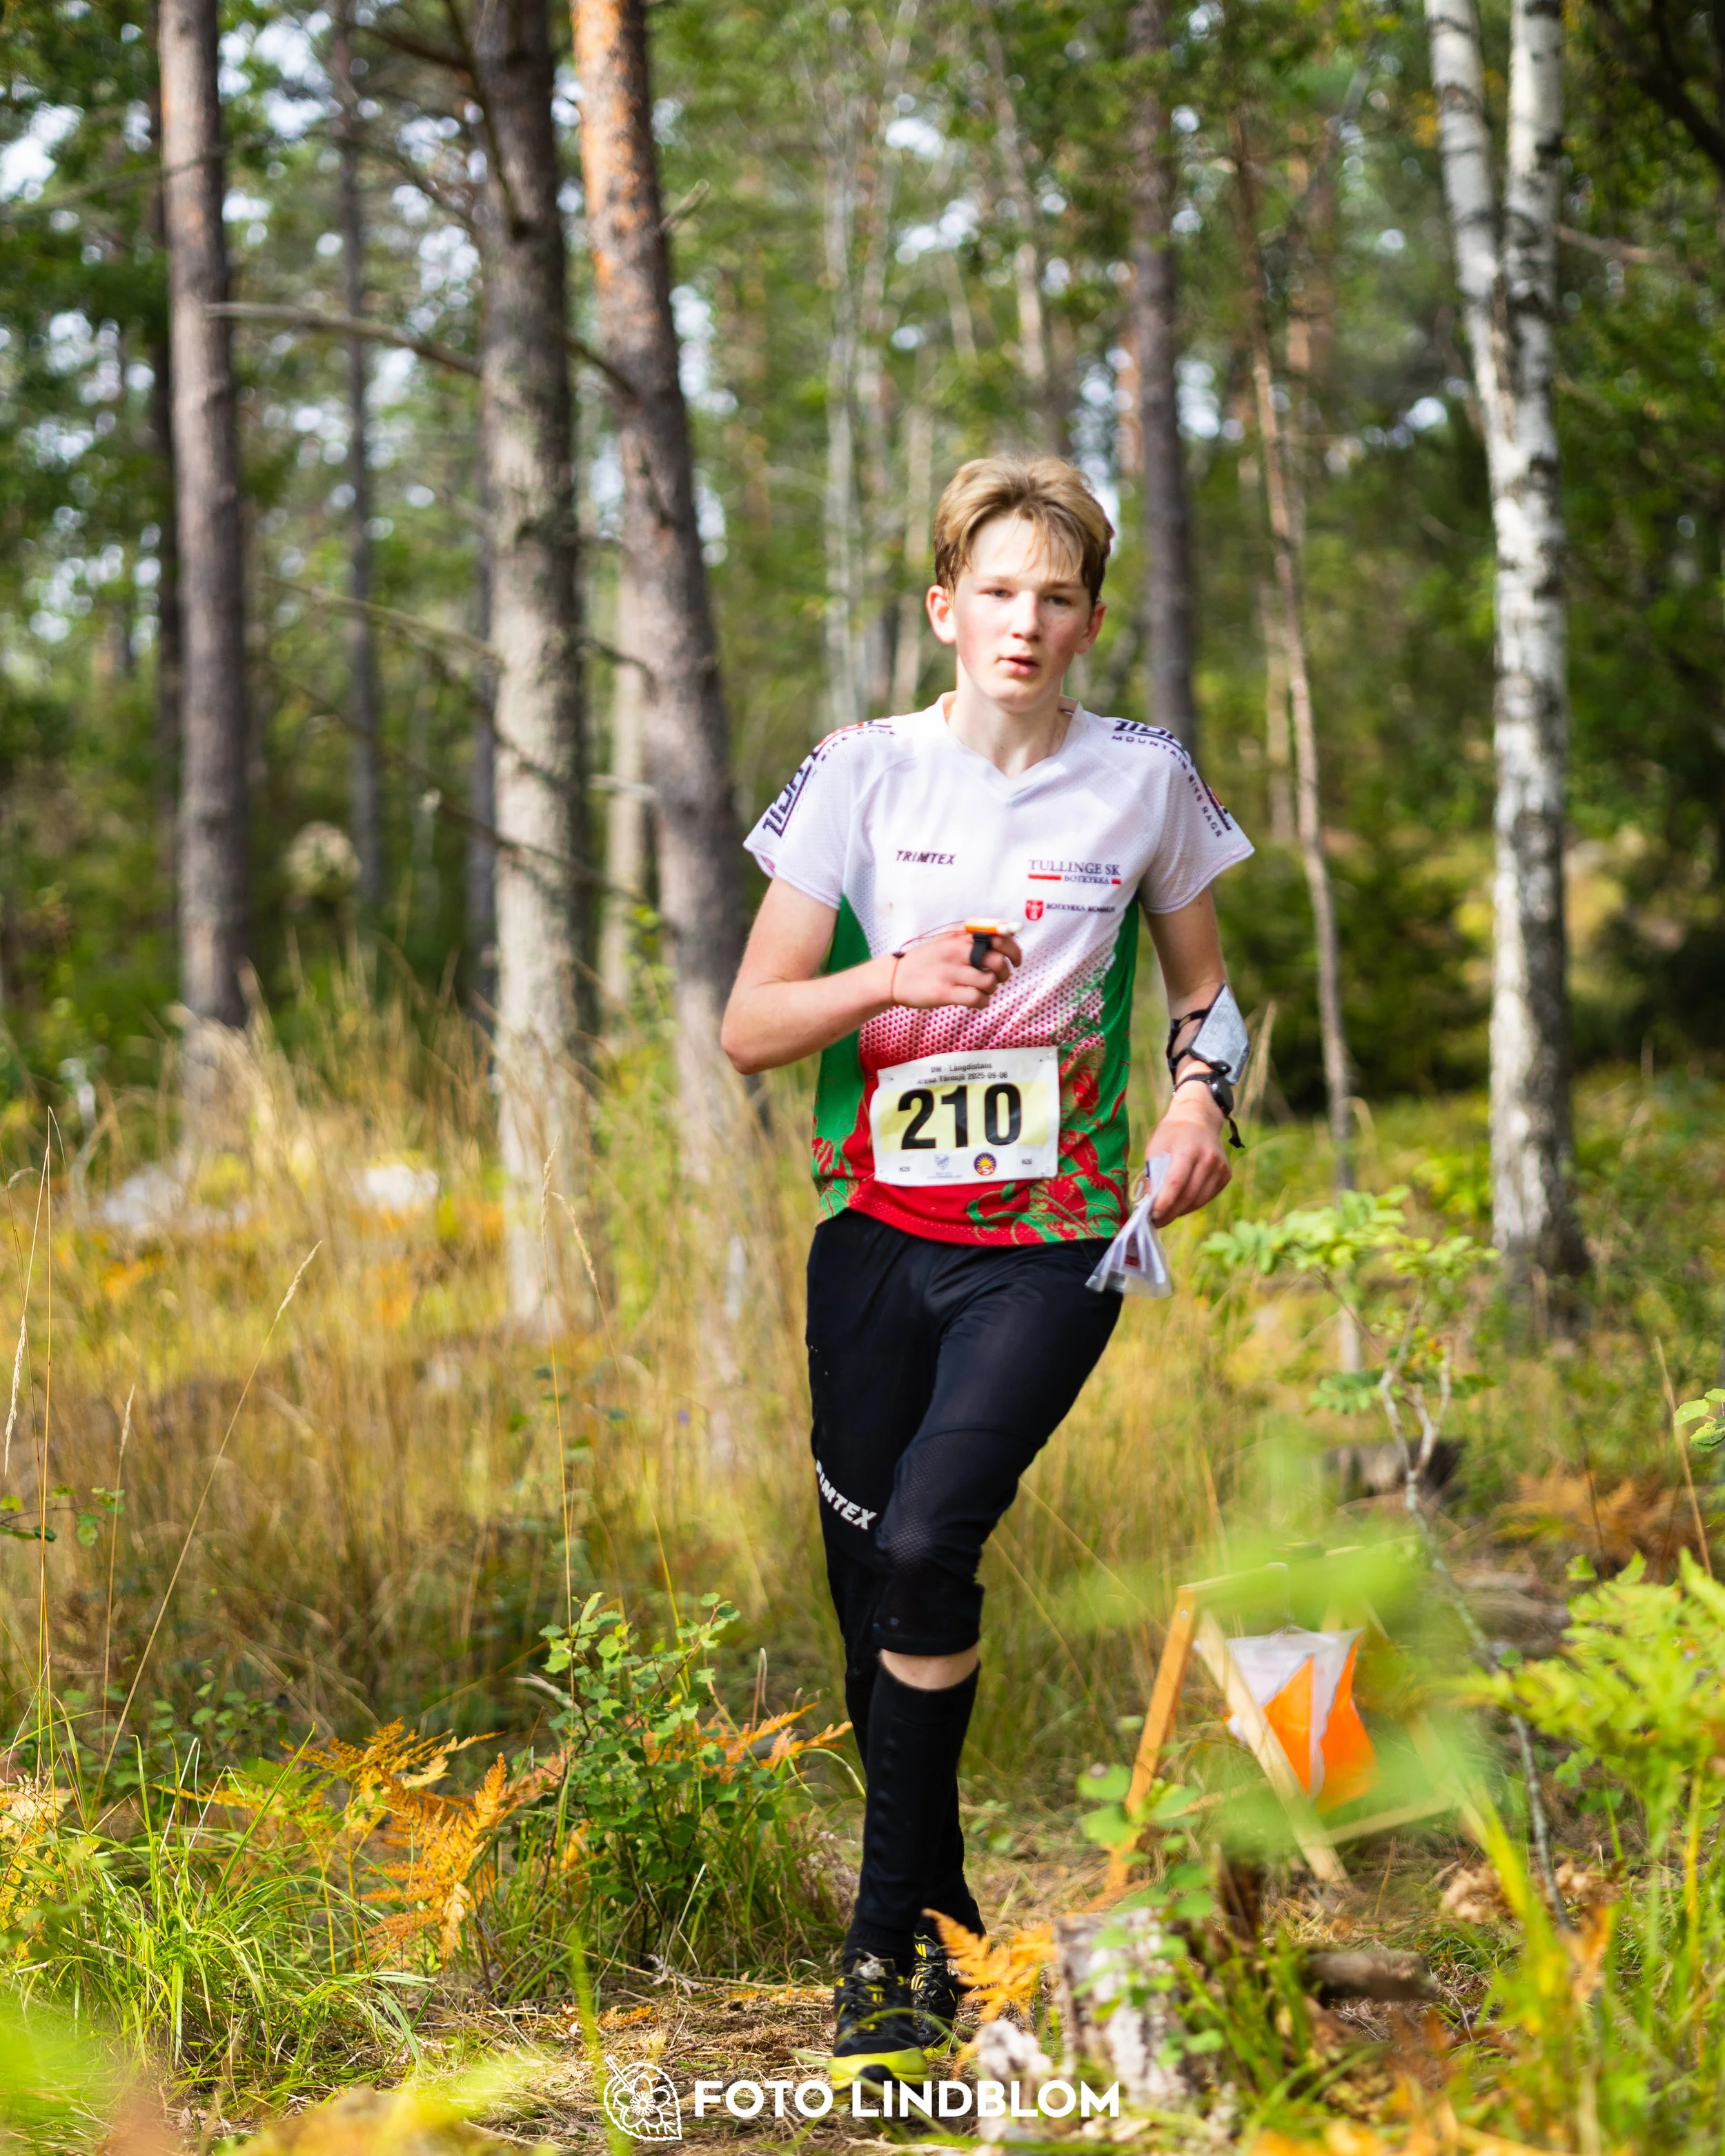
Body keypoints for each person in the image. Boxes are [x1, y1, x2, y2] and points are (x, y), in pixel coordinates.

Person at [719, 455, 1253, 2086]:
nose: (1027, 621)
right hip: (874, 1231)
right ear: (944, 608)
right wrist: (894, 973)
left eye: (1059, 595)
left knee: (941, 1529)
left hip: (1054, 1235)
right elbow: (748, 1027)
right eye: (997, 591)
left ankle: (882, 1964)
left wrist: (1196, 1097)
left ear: (1089, 620)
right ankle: (938, 1891)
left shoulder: (1142, 777)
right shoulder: (857, 774)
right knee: (871, 1582)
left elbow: (1208, 1001)